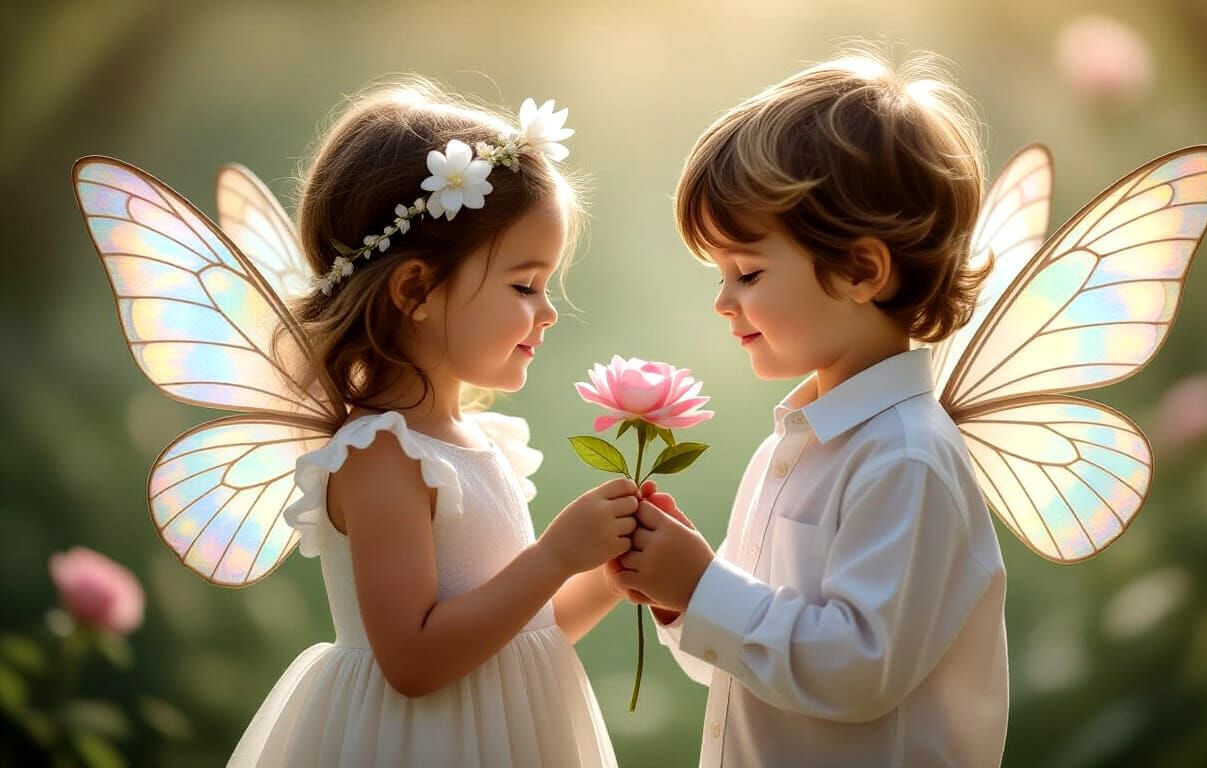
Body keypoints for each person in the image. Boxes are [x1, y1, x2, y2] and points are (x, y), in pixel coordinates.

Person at [613, 50, 1010, 767]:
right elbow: (750, 663)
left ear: (861, 270)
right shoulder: (789, 448)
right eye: (720, 275)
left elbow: (855, 671)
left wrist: (702, 585)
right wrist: (681, 597)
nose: (723, 300)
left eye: (748, 272)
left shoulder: (907, 457)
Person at [229, 81, 634, 767]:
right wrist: (555, 556)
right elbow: (414, 660)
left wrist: (605, 577)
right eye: (524, 286)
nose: (548, 311)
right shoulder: (382, 456)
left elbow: (517, 634)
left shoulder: (481, 443)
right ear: (416, 289)